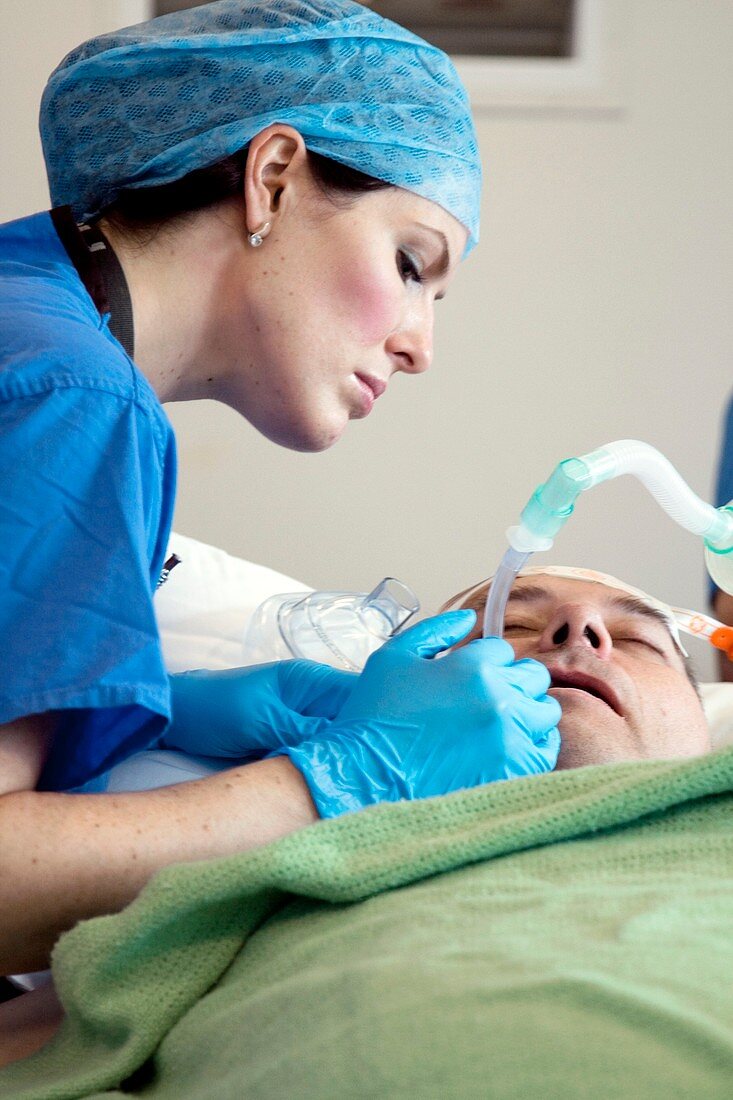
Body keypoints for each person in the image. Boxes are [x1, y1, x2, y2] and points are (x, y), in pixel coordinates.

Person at [0, 0, 562, 999]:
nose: (420, 346)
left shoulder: (27, 312)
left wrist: (159, 712)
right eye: (409, 264)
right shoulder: (75, 398)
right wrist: (339, 781)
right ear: (271, 178)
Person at [0, 562, 719, 1069]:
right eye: (510, 623)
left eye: (636, 640)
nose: (576, 626)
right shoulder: (259, 853)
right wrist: (129, 720)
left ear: (701, 725)